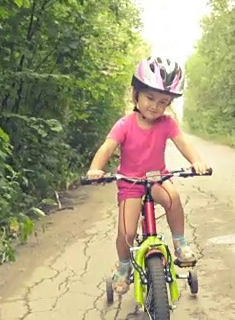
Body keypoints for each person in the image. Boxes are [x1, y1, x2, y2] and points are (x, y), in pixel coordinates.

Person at [86, 56, 210, 295]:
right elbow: (107, 147)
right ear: (137, 94)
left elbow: (183, 144)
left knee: (172, 198)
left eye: (163, 102)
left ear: (169, 104)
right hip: (129, 184)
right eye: (150, 98)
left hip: (157, 179)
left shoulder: (167, 124)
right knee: (127, 232)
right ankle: (124, 267)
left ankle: (180, 242)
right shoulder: (125, 124)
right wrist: (96, 169)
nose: (155, 105)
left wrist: (197, 161)